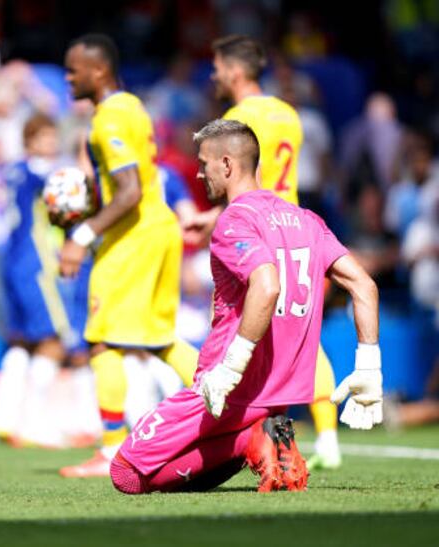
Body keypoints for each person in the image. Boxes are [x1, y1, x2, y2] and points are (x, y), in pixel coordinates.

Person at [110, 119, 383, 494]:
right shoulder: (308, 220)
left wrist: (231, 367)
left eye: (204, 164)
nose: (200, 175)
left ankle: (248, 440)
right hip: (279, 398)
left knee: (126, 472)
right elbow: (363, 285)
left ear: (226, 164)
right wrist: (369, 365)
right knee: (167, 471)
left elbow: (266, 285)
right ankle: (256, 438)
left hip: (226, 389)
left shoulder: (234, 220)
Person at [186, 35, 343, 470]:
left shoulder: (238, 118)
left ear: (235, 71)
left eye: (216, 67)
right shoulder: (288, 113)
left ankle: (238, 433)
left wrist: (220, 219)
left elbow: (245, 177)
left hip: (258, 227)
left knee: (239, 329)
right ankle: (326, 438)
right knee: (304, 336)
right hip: (297, 227)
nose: (213, 74)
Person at [56, 34, 199, 477]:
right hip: (160, 228)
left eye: (73, 69)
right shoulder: (132, 105)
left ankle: (113, 449)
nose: (67, 77)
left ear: (98, 71)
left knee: (102, 341)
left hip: (133, 234)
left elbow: (129, 191)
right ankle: (232, 406)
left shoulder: (108, 120)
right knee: (158, 338)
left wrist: (81, 233)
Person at [0, 113, 97, 448]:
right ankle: (35, 423)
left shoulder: (12, 172)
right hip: (36, 266)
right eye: (44, 137)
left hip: (13, 261)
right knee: (53, 340)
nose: (51, 143)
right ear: (30, 141)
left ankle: (5, 419)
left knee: (22, 341)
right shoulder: (40, 174)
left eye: (53, 136)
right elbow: (68, 198)